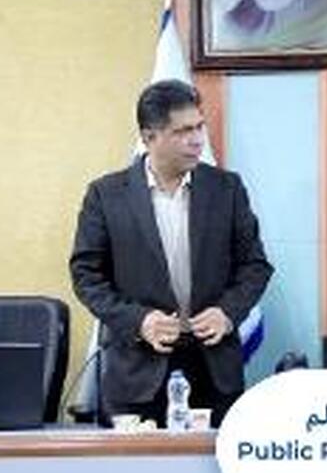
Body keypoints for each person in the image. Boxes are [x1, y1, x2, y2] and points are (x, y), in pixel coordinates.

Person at [69, 79, 273, 427]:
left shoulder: (226, 189)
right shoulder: (106, 195)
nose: (197, 140)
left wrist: (227, 313)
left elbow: (254, 265)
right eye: (182, 131)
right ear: (149, 137)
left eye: (199, 127)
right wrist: (139, 321)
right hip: (137, 371)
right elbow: (87, 276)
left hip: (213, 370)